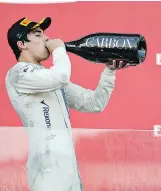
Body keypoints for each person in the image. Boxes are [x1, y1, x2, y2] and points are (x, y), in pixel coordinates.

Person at [5, 17, 129, 191]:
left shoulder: (49, 78)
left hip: (69, 168)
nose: (47, 39)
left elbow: (94, 103)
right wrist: (59, 51)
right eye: (38, 35)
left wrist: (109, 72)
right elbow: (61, 76)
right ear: (22, 44)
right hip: (46, 168)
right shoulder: (18, 74)